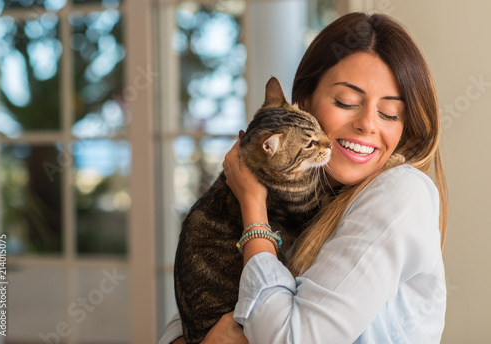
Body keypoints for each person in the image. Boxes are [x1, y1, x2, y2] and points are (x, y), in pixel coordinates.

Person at [160, 12, 448, 344]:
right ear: (305, 103)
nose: (368, 125)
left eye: (389, 113)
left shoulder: (400, 192)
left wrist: (253, 210)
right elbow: (181, 324)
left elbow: (294, 339)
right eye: (346, 102)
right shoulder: (311, 188)